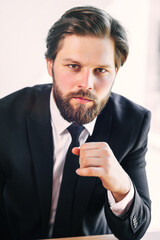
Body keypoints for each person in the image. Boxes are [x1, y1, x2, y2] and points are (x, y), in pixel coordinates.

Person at [0, 6, 151, 240]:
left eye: (101, 70)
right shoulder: (6, 116)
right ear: (50, 64)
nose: (87, 83)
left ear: (116, 72)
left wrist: (122, 187)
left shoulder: (134, 123)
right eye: (73, 66)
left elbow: (135, 232)